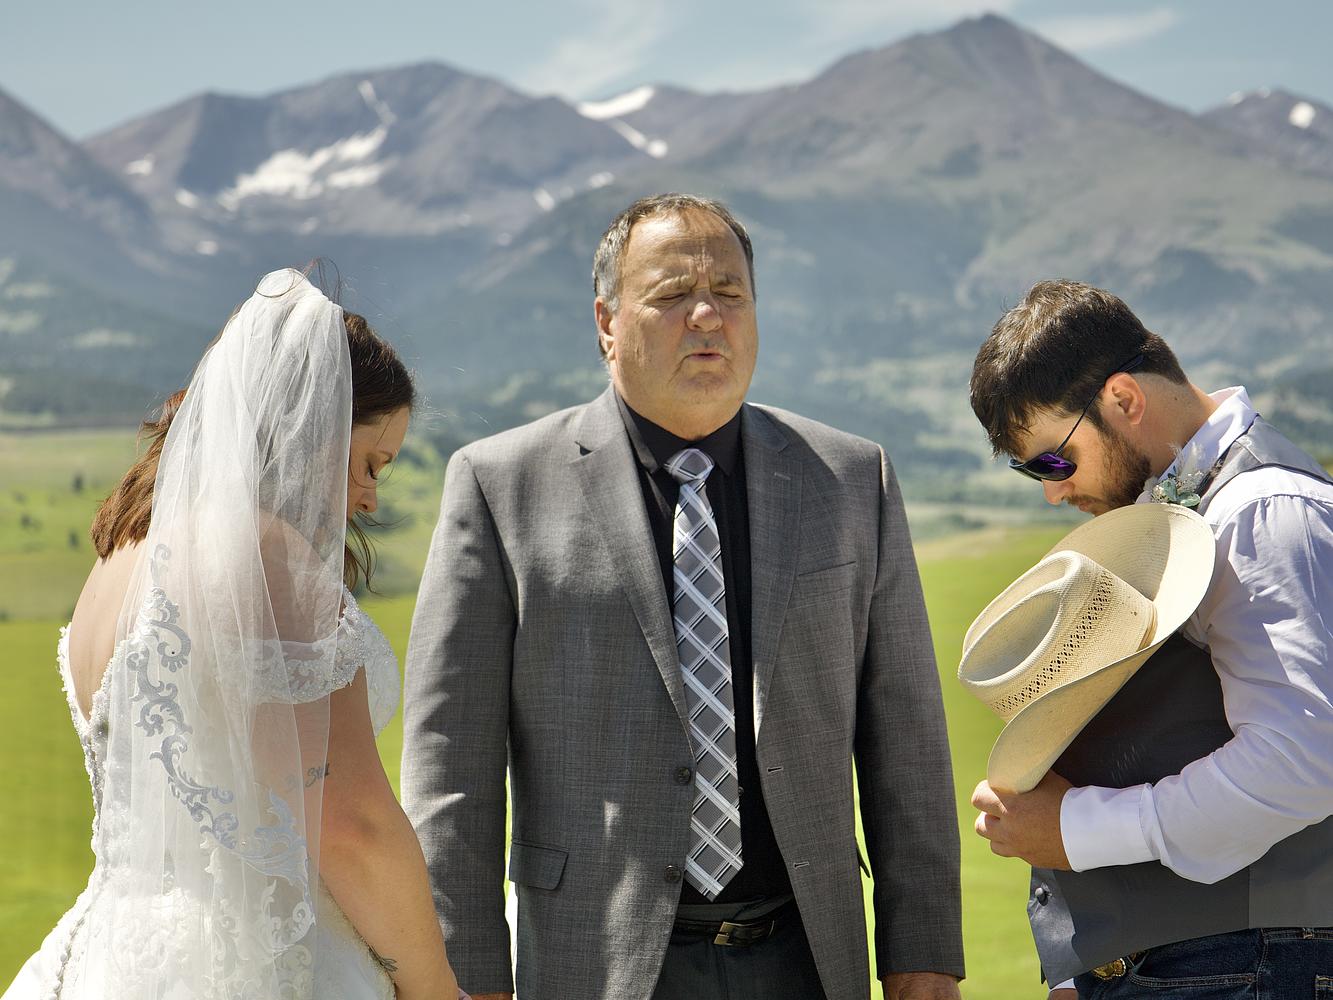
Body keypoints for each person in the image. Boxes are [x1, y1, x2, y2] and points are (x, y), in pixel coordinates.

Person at [401, 193, 964, 1000]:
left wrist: (924, 955)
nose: (707, 316)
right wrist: (467, 979)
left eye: (729, 293)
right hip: (595, 964)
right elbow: (450, 768)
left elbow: (905, 739)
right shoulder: (499, 486)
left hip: (805, 961)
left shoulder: (849, 479)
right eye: (671, 295)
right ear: (606, 322)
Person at [4, 270, 465, 1000]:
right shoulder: (263, 558)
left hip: (109, 956)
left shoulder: (122, 555)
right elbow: (349, 826)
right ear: (313, 432)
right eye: (369, 464)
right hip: (252, 960)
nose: (370, 497)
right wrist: (437, 988)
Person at [966, 279, 1333, 997]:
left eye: (1053, 461)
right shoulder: (1202, 506)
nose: (1051, 491)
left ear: (1124, 399)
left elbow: (1301, 758)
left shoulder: (1261, 511)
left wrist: (1077, 830)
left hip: (1246, 968)